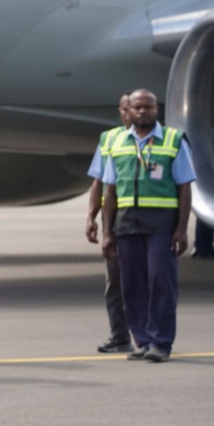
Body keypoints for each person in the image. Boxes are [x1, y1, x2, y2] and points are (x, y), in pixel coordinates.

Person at [101, 89, 196, 363]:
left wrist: (181, 229)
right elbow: (110, 190)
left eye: (148, 107)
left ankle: (161, 342)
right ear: (128, 111)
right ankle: (142, 340)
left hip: (161, 225)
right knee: (132, 285)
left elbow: (185, 187)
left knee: (161, 282)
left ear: (157, 110)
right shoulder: (117, 142)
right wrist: (107, 232)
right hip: (126, 224)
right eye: (137, 107)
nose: (143, 111)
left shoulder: (173, 140)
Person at [86, 93, 134, 352]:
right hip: (113, 220)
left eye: (134, 108)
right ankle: (119, 335)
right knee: (114, 281)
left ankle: (150, 335)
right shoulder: (109, 139)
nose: (130, 113)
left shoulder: (161, 139)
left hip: (145, 219)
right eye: (126, 108)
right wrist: (91, 217)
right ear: (120, 111)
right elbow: (98, 181)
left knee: (143, 279)